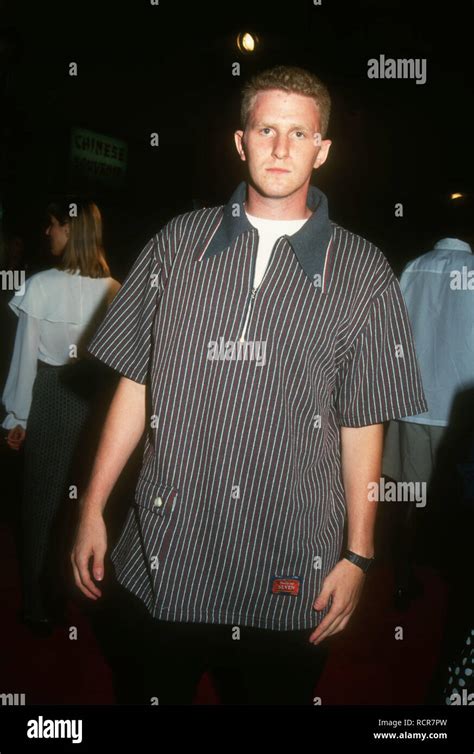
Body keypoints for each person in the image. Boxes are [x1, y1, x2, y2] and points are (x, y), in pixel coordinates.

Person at [71, 65, 427, 705]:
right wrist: (93, 505)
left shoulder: (365, 272)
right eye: (266, 129)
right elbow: (134, 384)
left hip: (291, 560)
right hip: (167, 552)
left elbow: (364, 420)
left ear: (323, 149)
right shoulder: (177, 245)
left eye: (299, 133)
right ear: (241, 141)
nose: (281, 148)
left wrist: (361, 555)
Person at [1, 199, 121, 635]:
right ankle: (74, 596)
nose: (47, 233)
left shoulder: (41, 285)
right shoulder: (114, 289)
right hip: (96, 405)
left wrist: (17, 417)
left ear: (70, 230)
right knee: (82, 507)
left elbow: (25, 362)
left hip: (51, 396)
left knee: (39, 504)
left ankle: (38, 605)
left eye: (52, 226)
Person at [382, 236, 474, 608]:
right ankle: (455, 579)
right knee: (460, 498)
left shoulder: (414, 266)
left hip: (414, 405)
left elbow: (393, 332)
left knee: (409, 495)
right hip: (461, 410)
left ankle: (402, 581)